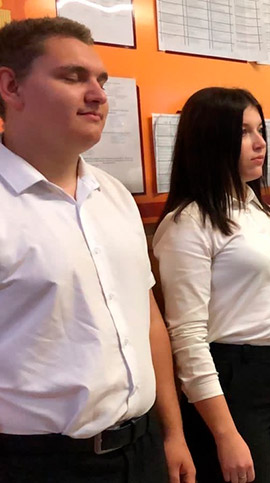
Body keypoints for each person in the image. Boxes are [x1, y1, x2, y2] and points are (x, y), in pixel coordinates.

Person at [0, 17, 194, 483]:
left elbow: (147, 320)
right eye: (73, 77)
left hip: (142, 449)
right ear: (11, 86)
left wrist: (172, 433)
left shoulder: (114, 195)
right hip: (39, 464)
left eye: (101, 81)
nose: (99, 95)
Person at [153, 87, 270, 483]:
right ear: (210, 140)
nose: (260, 142)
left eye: (260, 129)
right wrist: (224, 433)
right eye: (244, 132)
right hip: (232, 383)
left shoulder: (266, 213)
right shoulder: (189, 223)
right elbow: (187, 337)